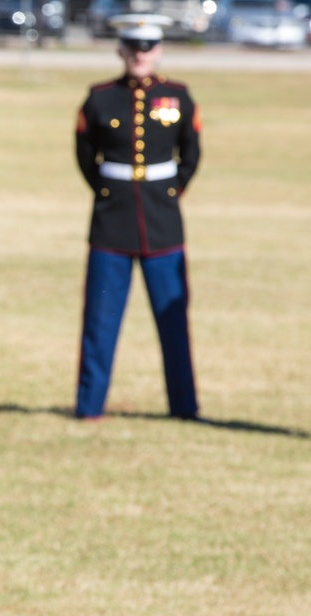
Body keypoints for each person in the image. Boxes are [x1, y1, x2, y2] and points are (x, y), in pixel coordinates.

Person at [74, 14, 202, 420]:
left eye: (147, 47)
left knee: (173, 323)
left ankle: (184, 409)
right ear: (120, 49)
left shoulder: (179, 97)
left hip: (163, 224)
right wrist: (108, 192)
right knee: (100, 320)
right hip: (112, 224)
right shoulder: (99, 98)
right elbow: (85, 155)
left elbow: (191, 153)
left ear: (159, 50)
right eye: (132, 46)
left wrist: (169, 192)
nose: (139, 54)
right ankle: (89, 407)